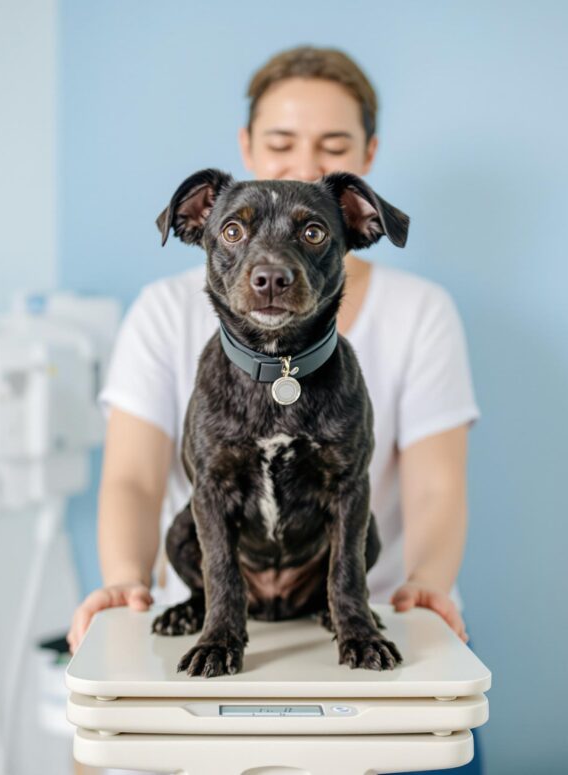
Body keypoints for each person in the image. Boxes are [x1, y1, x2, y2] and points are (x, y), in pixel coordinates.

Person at [68, 46, 483, 774]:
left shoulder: (423, 311)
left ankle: (343, 611)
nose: (270, 260)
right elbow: (133, 477)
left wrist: (432, 583)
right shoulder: (160, 312)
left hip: (361, 600)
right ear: (204, 216)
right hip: (211, 603)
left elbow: (436, 483)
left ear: (359, 203)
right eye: (238, 230)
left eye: (312, 229)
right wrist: (125, 580)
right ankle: (213, 615)